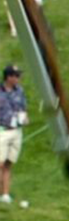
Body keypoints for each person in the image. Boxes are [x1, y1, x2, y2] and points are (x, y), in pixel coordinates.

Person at [0, 65, 28, 205]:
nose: (18, 78)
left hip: (17, 131)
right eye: (16, 76)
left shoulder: (20, 91)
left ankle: (5, 194)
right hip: (2, 131)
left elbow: (23, 108)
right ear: (8, 77)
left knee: (8, 163)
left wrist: (25, 118)